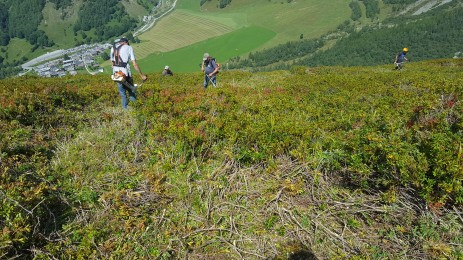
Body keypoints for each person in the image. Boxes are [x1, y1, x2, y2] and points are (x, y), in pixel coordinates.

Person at [110, 37, 147, 109]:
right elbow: (134, 64)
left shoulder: (113, 48)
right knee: (131, 91)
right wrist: (142, 75)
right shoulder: (129, 47)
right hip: (125, 73)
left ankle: (125, 109)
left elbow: (112, 63)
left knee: (122, 93)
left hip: (116, 74)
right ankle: (135, 108)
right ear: (126, 42)